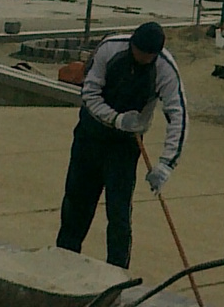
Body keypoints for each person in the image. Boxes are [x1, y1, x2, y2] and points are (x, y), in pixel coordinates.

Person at [56, 20, 187, 269]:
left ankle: (116, 272)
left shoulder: (165, 68)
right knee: (76, 205)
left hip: (125, 146)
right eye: (139, 53)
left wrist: (166, 164)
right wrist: (116, 119)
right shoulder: (110, 49)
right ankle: (64, 261)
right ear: (132, 44)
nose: (142, 59)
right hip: (90, 135)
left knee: (119, 215)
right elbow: (89, 94)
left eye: (148, 56)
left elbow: (178, 114)